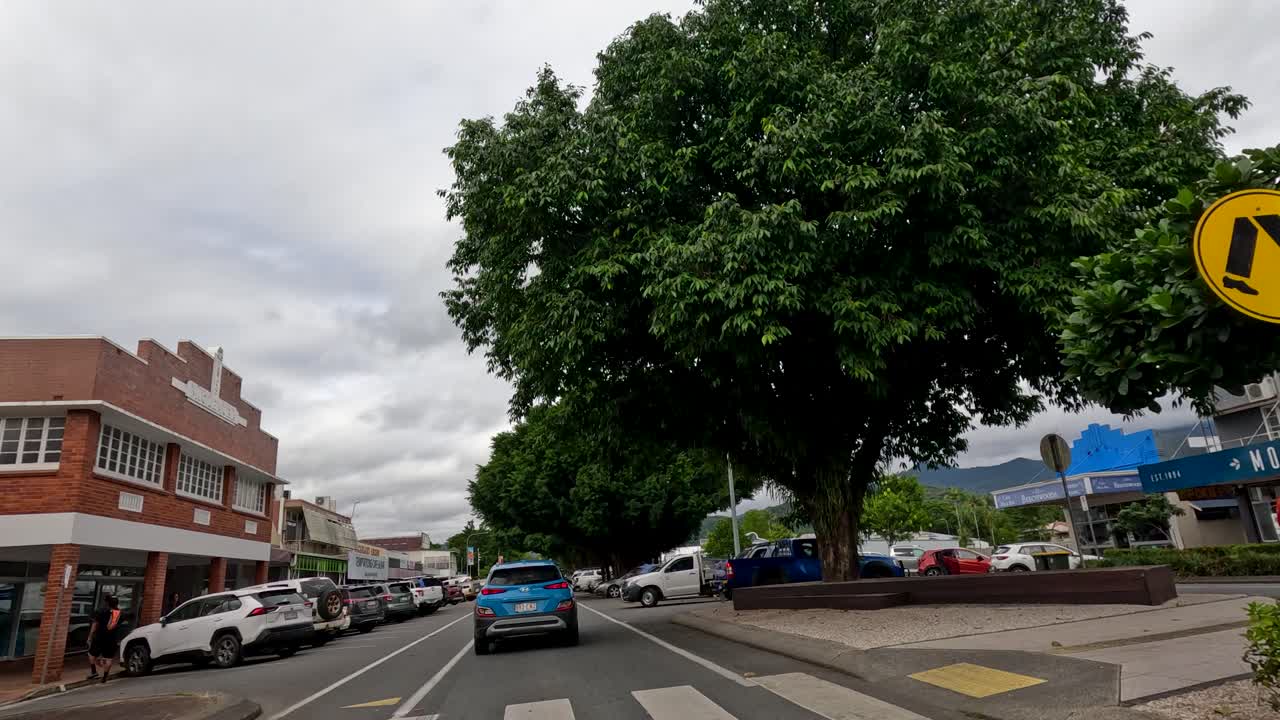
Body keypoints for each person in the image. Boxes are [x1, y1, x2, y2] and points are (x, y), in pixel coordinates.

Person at [87, 595, 123, 683]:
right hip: (112, 639)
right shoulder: (120, 613)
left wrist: (89, 637)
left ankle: (94, 671)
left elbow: (95, 625)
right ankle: (104, 678)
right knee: (109, 659)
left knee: (91, 654)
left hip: (99, 637)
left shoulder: (100, 611)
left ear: (107, 603)